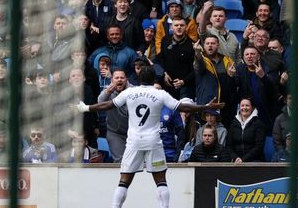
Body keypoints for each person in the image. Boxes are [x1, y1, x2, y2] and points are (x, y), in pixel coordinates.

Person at [76, 66, 224, 208]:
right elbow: (183, 107)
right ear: (154, 79)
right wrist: (205, 107)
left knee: (124, 181)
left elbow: (107, 105)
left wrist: (87, 108)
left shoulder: (130, 92)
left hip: (134, 142)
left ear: (139, 78)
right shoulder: (160, 94)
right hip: (153, 142)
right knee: (160, 180)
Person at [193, 35, 237, 128]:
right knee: (207, 135)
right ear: (204, 46)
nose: (210, 46)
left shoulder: (227, 59)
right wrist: (197, 53)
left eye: (213, 43)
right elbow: (199, 66)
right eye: (207, 43)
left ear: (218, 45)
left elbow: (232, 83)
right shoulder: (201, 60)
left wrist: (232, 76)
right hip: (207, 105)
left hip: (225, 105)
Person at [97, 69, 131, 163]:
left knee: (134, 161)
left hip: (133, 133)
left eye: (122, 78)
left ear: (126, 80)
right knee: (120, 161)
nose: (119, 80)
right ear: (112, 80)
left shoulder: (133, 90)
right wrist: (108, 92)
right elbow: (100, 102)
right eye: (117, 78)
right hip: (114, 133)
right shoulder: (108, 89)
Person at [226, 98, 266, 163]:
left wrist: (243, 159)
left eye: (247, 105)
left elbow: (258, 147)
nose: (244, 108)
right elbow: (228, 145)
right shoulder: (233, 124)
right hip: (236, 162)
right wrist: (235, 158)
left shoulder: (259, 124)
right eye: (242, 105)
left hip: (254, 161)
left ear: (252, 108)